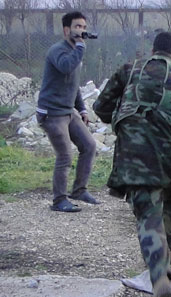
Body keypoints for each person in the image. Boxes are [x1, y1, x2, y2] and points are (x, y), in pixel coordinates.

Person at [93, 32, 171, 297]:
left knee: (149, 218)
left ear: (152, 50)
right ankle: (168, 268)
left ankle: (161, 276)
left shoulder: (128, 69)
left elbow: (101, 107)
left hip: (134, 156)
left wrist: (124, 119)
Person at [36, 11, 99, 213]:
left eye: (83, 27)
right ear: (66, 30)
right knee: (65, 155)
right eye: (77, 27)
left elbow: (73, 83)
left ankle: (79, 190)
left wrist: (82, 109)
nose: (81, 31)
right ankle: (59, 200)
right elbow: (65, 67)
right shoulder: (58, 51)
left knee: (89, 145)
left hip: (67, 111)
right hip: (51, 113)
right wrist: (80, 47)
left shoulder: (75, 52)